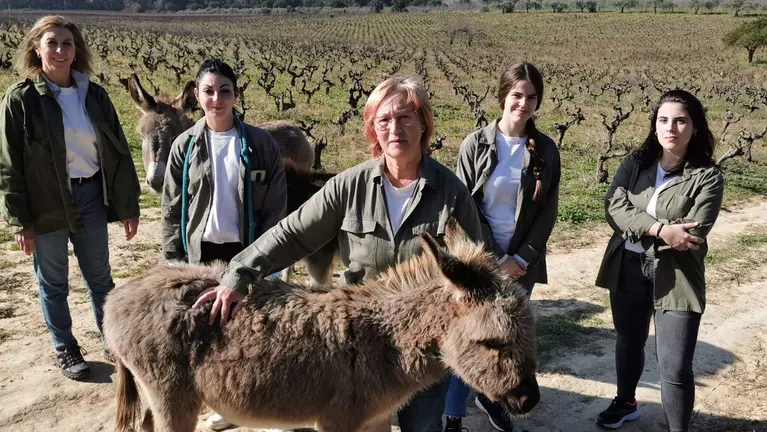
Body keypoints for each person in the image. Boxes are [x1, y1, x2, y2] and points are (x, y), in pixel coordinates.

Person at [192, 76, 483, 432]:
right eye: (384, 120)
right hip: (362, 345)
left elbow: (476, 276)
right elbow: (294, 232)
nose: (396, 129)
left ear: (424, 123)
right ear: (373, 129)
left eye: (406, 117)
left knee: (422, 425)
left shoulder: (451, 194)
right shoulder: (351, 185)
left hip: (426, 344)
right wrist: (240, 273)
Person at [0, 15, 141, 380]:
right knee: (53, 281)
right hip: (45, 203)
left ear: (76, 50)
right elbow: (8, 164)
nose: (61, 50)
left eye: (68, 43)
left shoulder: (94, 95)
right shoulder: (20, 99)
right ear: (36, 47)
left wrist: (127, 205)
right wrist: (20, 220)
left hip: (91, 194)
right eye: (53, 43)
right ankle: (65, 346)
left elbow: (119, 152)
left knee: (100, 277)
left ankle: (113, 340)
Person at [161, 58, 287, 431]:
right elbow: (171, 208)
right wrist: (173, 259)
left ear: (236, 95)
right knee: (215, 333)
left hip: (248, 252)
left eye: (224, 91)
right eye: (208, 91)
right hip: (202, 257)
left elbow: (275, 207)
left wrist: (268, 257)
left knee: (260, 330)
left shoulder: (261, 144)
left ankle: (272, 403)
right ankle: (228, 405)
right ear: (197, 96)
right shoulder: (184, 146)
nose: (217, 99)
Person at [594, 90, 724, 431]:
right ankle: (626, 402)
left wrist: (643, 228)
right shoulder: (636, 162)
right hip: (627, 267)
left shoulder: (707, 176)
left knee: (675, 366)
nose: (671, 128)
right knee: (628, 342)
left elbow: (693, 234)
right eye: (663, 120)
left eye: (681, 120)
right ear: (654, 125)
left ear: (695, 128)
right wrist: (661, 229)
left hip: (676, 275)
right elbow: (614, 207)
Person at [446, 62, 561, 432]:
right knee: (470, 338)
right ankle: (453, 416)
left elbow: (548, 212)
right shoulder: (474, 144)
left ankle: (494, 398)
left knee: (510, 343)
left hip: (521, 266)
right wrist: (494, 259)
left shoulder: (545, 150)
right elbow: (463, 207)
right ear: (502, 97)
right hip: (481, 262)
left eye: (530, 97)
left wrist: (522, 258)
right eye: (516, 95)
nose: (523, 104)